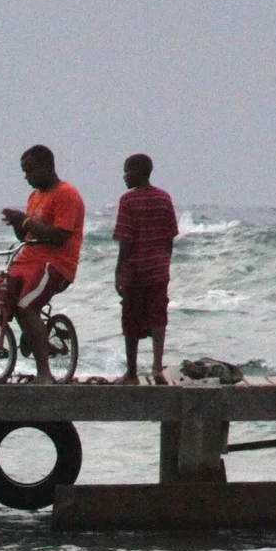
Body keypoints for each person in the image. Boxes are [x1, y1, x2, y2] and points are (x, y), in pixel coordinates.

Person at [0, 146, 85, 381]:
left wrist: (27, 221)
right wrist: (17, 224)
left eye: (30, 170)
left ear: (48, 167)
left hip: (54, 265)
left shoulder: (66, 194)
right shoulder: (34, 197)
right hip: (26, 261)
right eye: (24, 171)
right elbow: (28, 238)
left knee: (25, 305)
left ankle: (45, 373)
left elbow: (59, 236)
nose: (26, 176)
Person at [113, 153, 179, 383]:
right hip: (159, 268)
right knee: (158, 317)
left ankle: (131, 373)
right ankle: (157, 368)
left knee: (131, 320)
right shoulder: (164, 198)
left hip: (136, 270)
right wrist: (164, 262)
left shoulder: (128, 201)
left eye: (127, 171)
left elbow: (126, 240)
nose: (124, 176)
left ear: (138, 173)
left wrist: (119, 271)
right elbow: (170, 236)